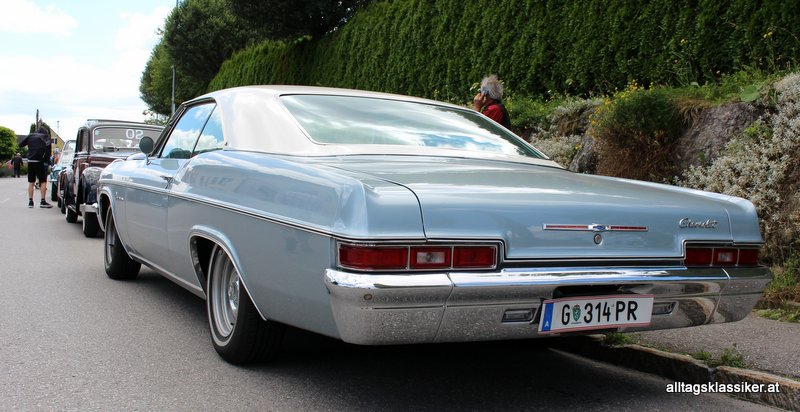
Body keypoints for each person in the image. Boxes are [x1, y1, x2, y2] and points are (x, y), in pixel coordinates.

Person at [19, 126, 53, 208]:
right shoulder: (46, 137)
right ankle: (42, 201)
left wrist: (30, 145)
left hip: (30, 161)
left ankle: (30, 202)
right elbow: (48, 151)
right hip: (39, 161)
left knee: (31, 182)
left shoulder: (30, 136)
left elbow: (20, 144)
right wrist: (47, 162)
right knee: (43, 181)